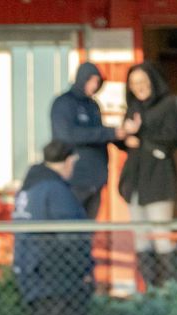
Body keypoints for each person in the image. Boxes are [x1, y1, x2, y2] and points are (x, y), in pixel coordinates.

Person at [12, 140, 93, 315]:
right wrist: (84, 270)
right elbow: (72, 237)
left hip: (33, 277)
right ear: (68, 161)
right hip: (58, 282)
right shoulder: (56, 190)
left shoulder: (28, 188)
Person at [118, 62, 177, 288]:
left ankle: (171, 292)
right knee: (141, 238)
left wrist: (141, 137)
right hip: (134, 182)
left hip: (159, 180)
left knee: (162, 236)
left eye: (143, 81)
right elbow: (125, 141)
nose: (139, 87)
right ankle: (149, 291)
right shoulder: (134, 107)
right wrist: (123, 134)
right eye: (134, 83)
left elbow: (172, 139)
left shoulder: (168, 104)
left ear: (153, 81)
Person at [50, 62, 129, 219]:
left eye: (98, 82)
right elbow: (67, 135)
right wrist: (109, 133)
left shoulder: (93, 105)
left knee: (88, 229)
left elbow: (100, 134)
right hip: (74, 178)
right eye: (91, 80)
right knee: (71, 227)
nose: (94, 85)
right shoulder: (63, 103)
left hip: (96, 178)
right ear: (81, 78)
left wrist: (122, 137)